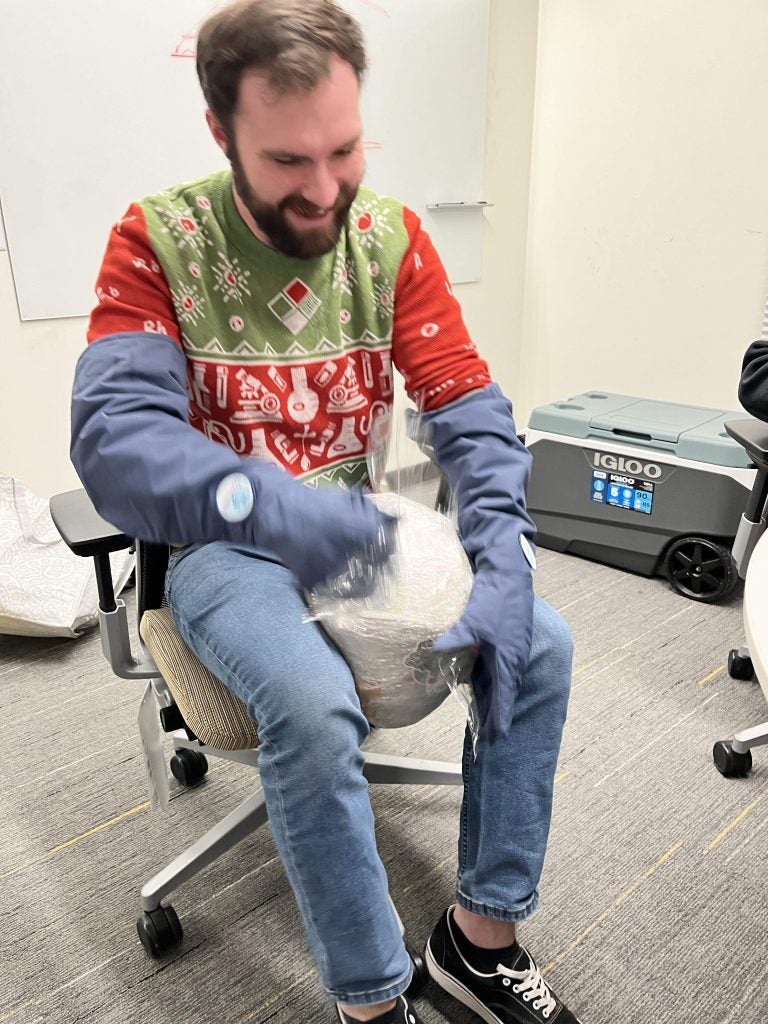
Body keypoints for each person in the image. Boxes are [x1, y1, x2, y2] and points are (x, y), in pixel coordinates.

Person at [70, 2, 579, 1022]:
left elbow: (467, 409)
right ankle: (372, 997)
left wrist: (501, 550)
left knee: (542, 643)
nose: (323, 187)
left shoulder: (389, 238)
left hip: (360, 531)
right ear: (221, 133)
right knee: (310, 706)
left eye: (343, 150)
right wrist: (275, 508)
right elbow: (116, 440)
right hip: (225, 548)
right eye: (287, 160)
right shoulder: (157, 241)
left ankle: (477, 941)